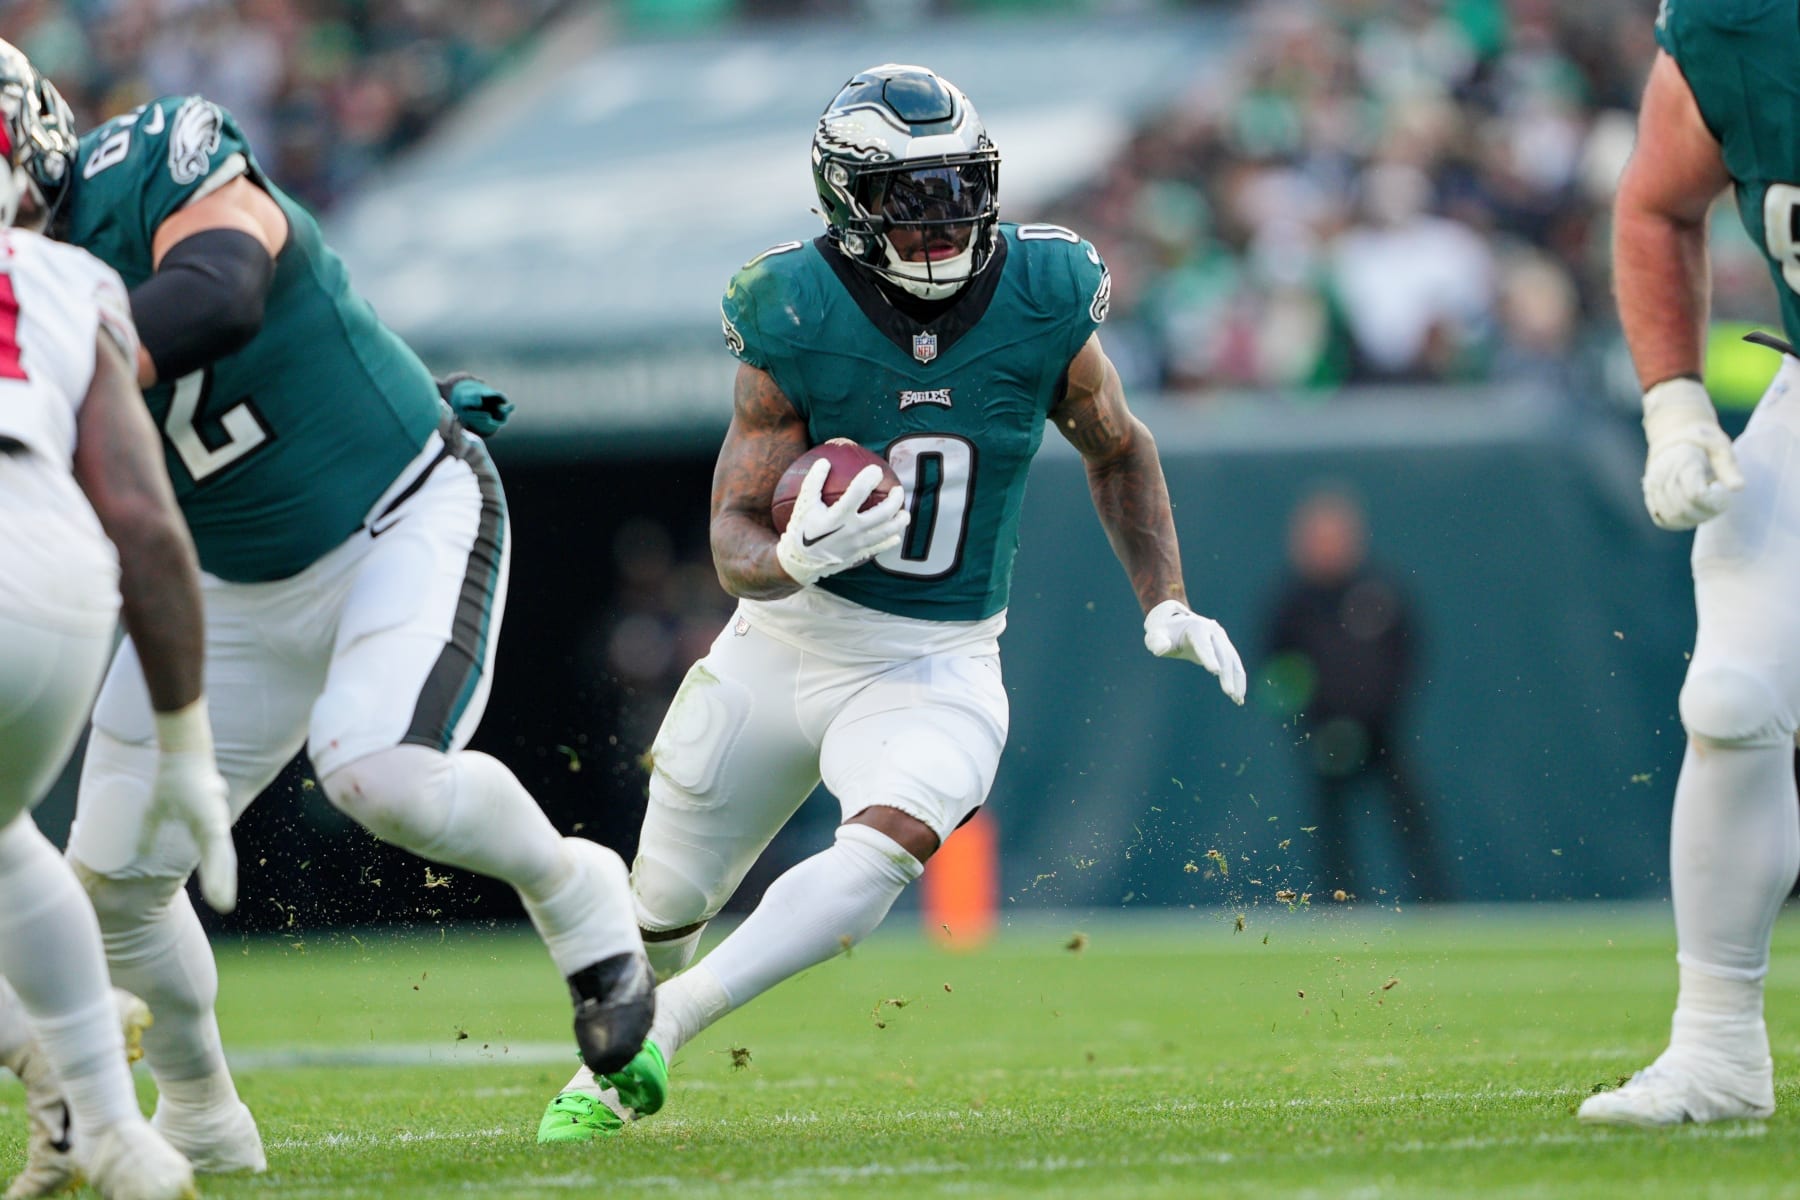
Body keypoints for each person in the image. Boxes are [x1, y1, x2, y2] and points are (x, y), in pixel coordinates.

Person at [535, 63, 1247, 1143]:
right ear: (845, 196)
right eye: (910, 199)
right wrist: (796, 557)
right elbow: (733, 533)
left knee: (886, 848)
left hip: (935, 660)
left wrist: (1166, 601)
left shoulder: (1045, 291)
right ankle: (637, 997)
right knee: (663, 905)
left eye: (960, 189)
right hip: (781, 642)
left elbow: (1118, 448)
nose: (941, 224)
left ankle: (663, 1031)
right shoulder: (791, 306)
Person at [0, 41, 653, 1185]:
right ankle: (200, 1110)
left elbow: (221, 292)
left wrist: (59, 352)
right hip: (222, 585)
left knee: (379, 772)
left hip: (396, 511)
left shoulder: (153, 157)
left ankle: (570, 883)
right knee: (111, 886)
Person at [0, 44, 237, 1200]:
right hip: (58, 576)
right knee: (6, 845)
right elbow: (141, 519)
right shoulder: (68, 282)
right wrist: (186, 740)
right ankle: (108, 1127)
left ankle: (55, 1065)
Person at [1577, 0, 1800, 1126]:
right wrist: (1674, 406)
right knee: (1733, 691)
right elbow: (1658, 203)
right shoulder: (1742, 24)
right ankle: (1717, 1048)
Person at [1263, 486, 1449, 902]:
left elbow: (1408, 654)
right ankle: (1340, 906)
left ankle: (1437, 906)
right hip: (1324, 736)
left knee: (1410, 820)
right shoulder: (1291, 602)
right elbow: (1276, 670)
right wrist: (1312, 720)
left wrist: (1378, 712)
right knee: (1330, 829)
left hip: (1382, 733)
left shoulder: (1380, 589)